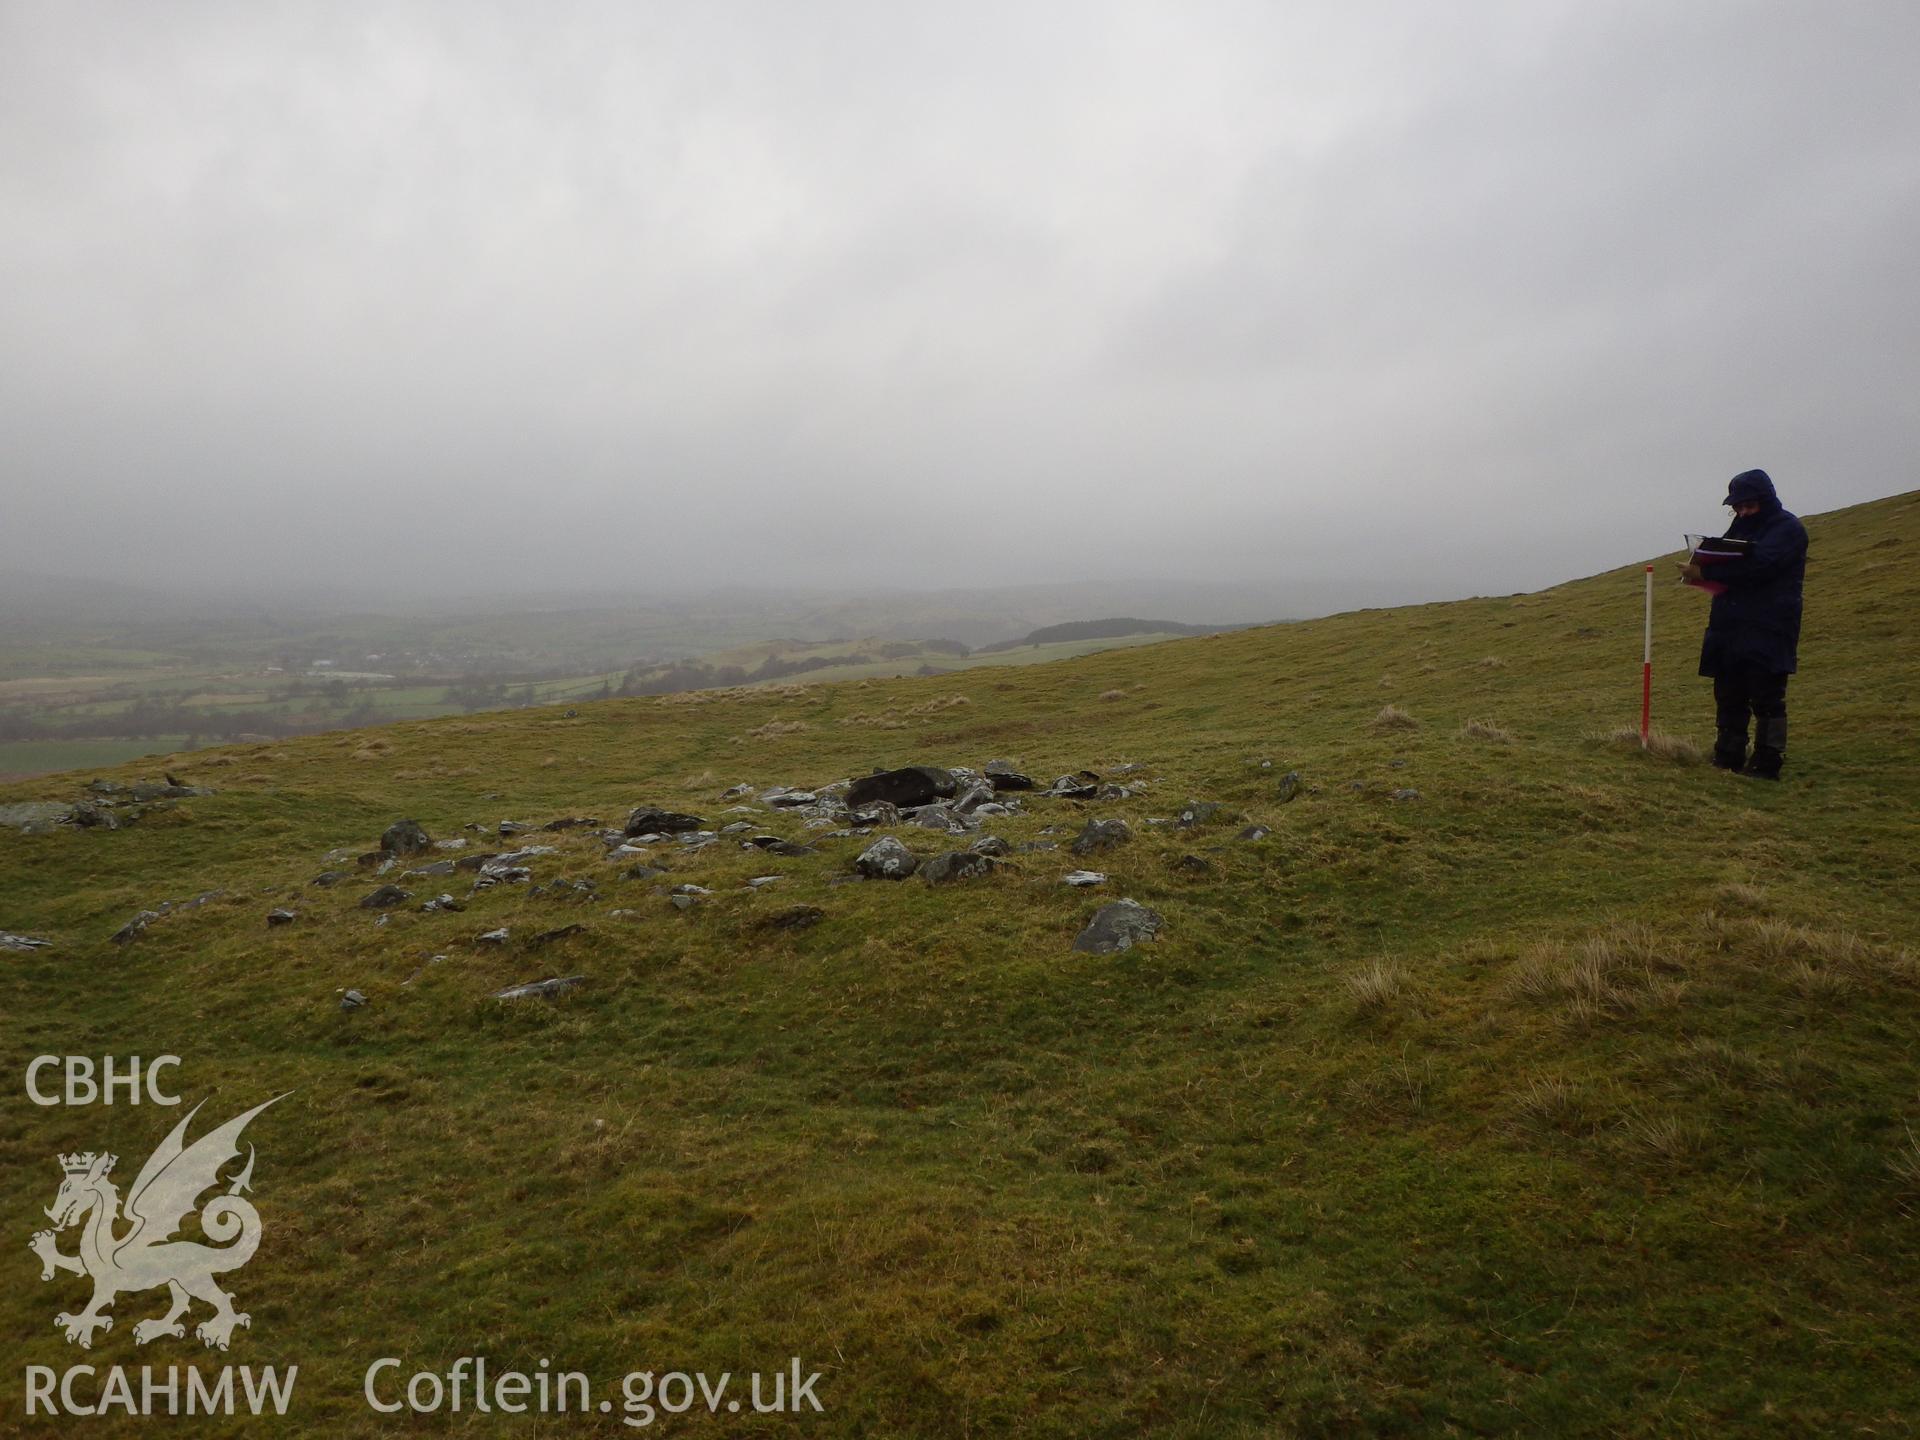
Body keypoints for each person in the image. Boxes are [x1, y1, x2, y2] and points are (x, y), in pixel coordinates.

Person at [1679, 469, 1808, 779]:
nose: (1742, 512)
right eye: (1737, 507)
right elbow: (1732, 559)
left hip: (1768, 625)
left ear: (1766, 500)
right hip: (1730, 626)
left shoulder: (1787, 529)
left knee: (1767, 695)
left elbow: (1758, 565)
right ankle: (1727, 755)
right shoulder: (1739, 527)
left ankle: (1767, 761)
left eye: (1749, 505)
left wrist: (1707, 574)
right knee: (1728, 693)